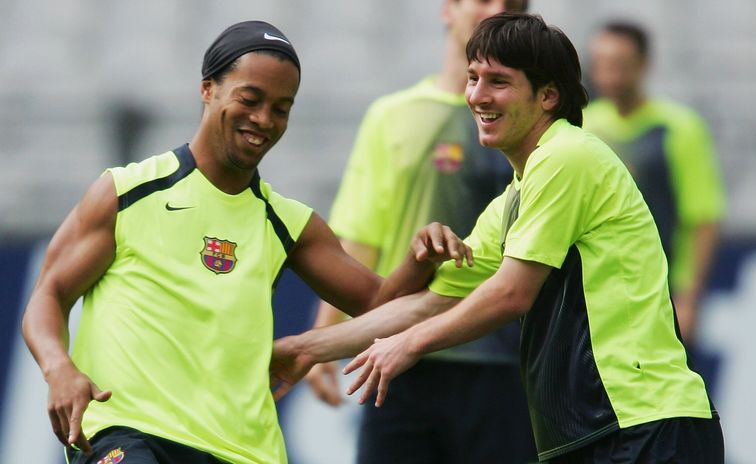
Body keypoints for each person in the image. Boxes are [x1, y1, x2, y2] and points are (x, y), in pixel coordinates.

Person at [272, 12, 724, 463]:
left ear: (548, 96)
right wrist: (306, 347)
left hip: (643, 424)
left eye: (498, 82)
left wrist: (409, 345)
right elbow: (426, 303)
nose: (477, 96)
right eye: (473, 78)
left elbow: (511, 295)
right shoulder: (515, 197)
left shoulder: (566, 156)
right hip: (595, 432)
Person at [20, 20, 470, 464]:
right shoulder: (126, 192)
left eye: (281, 108)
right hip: (130, 434)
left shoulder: (288, 224)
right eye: (250, 99)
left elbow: (379, 306)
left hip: (243, 452)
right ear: (207, 89)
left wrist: (418, 258)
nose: (264, 120)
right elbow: (49, 295)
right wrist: (59, 368)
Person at [302, 0, 536, 462]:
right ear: (449, 8)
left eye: (513, 4)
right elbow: (359, 240)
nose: (499, 9)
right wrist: (323, 340)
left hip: (508, 364)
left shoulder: (536, 126)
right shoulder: (394, 116)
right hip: (399, 361)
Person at [583, 20, 726, 343]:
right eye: (601, 63)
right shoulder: (584, 126)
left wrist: (688, 297)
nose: (609, 73)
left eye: (620, 63)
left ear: (643, 64)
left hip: (661, 291)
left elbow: (703, 216)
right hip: (598, 293)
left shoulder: (679, 127)